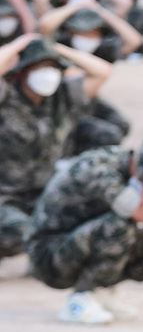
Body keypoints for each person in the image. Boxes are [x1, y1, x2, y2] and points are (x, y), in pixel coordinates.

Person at [26, 135, 143, 324]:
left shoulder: (139, 170)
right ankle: (81, 299)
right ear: (139, 169)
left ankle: (100, 290)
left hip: (83, 242)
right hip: (49, 256)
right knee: (119, 226)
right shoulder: (98, 168)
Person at [0, 34, 112, 259]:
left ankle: (43, 261)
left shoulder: (64, 96)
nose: (48, 74)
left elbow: (103, 71)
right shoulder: (7, 96)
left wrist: (57, 49)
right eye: (41, 67)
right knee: (23, 233)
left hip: (46, 192)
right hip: (6, 196)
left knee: (91, 219)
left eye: (53, 68)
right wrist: (19, 44)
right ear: (23, 71)